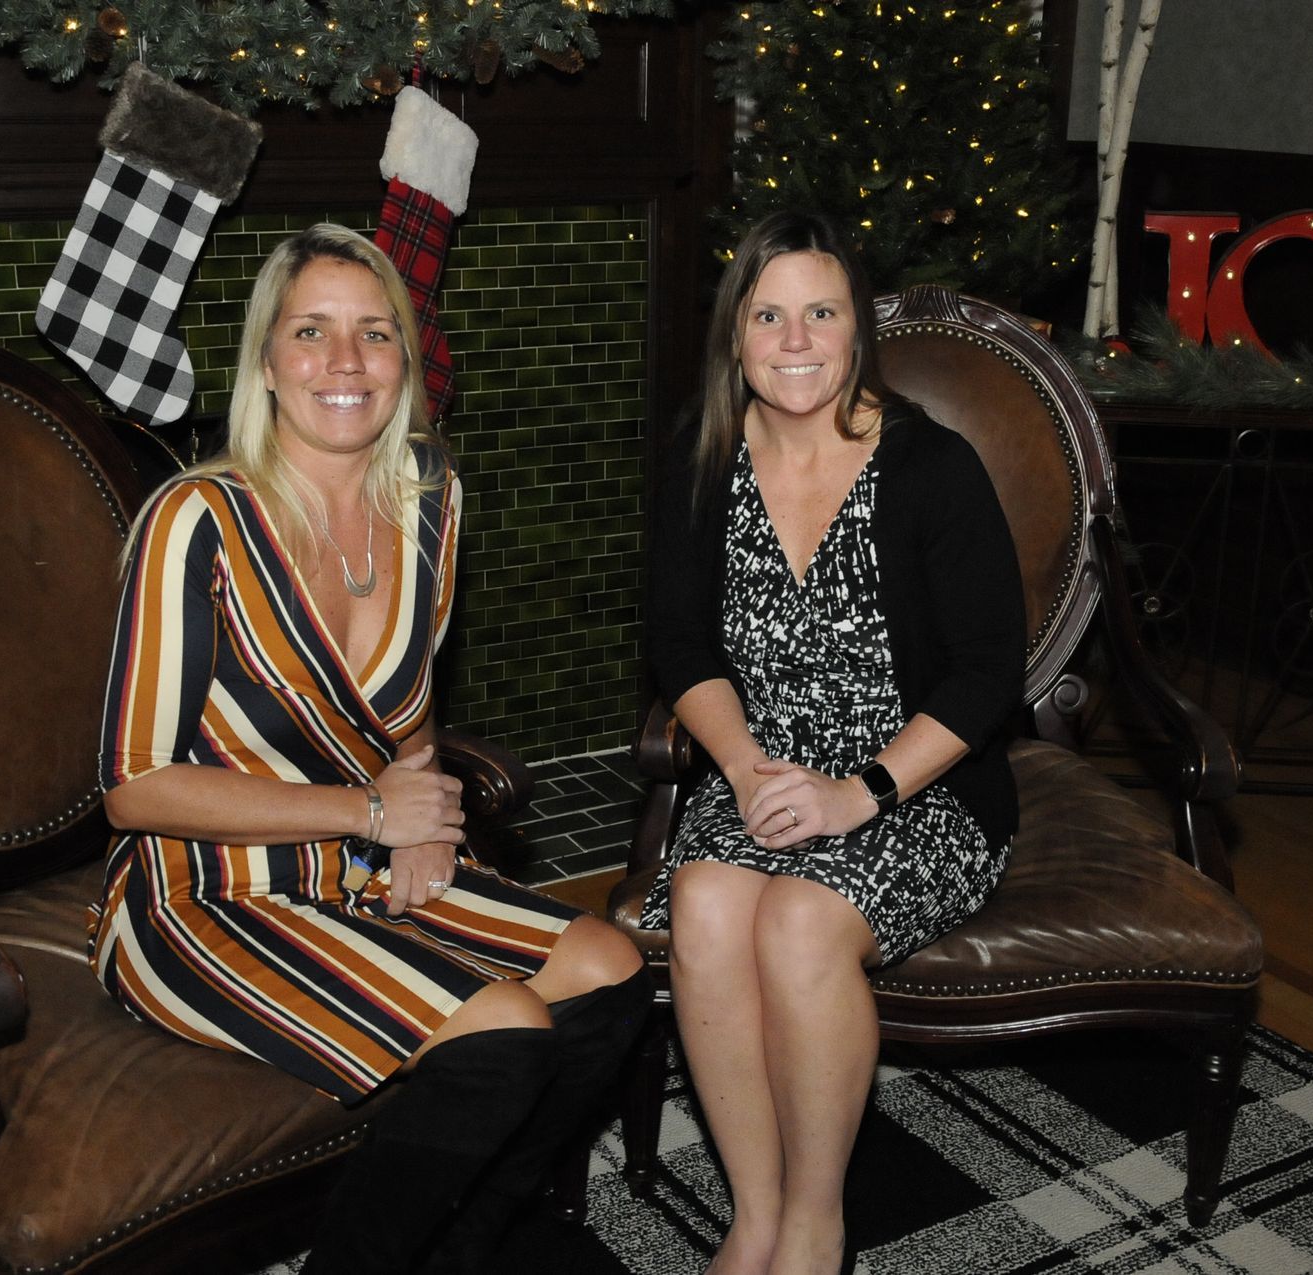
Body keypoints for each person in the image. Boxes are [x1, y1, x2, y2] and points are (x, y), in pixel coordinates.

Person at [88, 222, 649, 1274]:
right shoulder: (195, 520)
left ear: (406, 360)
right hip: (201, 895)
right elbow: (134, 788)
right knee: (504, 1037)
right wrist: (371, 815)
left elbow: (405, 716)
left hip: (362, 862)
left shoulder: (428, 498)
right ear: (267, 361)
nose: (346, 364)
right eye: (312, 333)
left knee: (614, 971)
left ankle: (459, 1247)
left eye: (374, 335)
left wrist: (421, 821)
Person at [641, 210, 1026, 1275]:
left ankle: (816, 1224)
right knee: (708, 902)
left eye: (822, 312)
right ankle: (753, 1214)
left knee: (803, 927)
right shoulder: (703, 457)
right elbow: (677, 640)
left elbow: (992, 669)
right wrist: (747, 768)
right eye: (769, 316)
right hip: (761, 766)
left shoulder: (930, 468)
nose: (796, 339)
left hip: (917, 783)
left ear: (858, 330)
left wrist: (859, 793)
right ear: (735, 337)